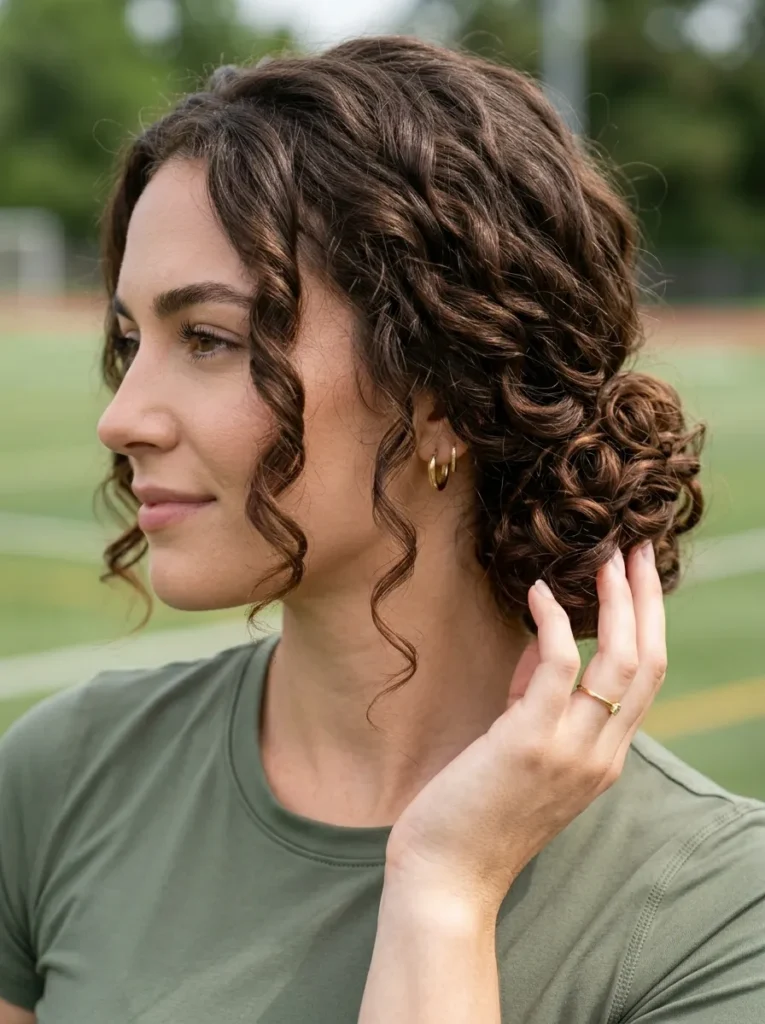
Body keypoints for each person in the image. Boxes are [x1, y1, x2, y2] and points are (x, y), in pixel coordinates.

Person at [0, 34, 763, 1024]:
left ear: (445, 382)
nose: (122, 417)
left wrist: (445, 892)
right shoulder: (64, 775)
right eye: (131, 340)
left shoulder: (712, 909)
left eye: (210, 340)